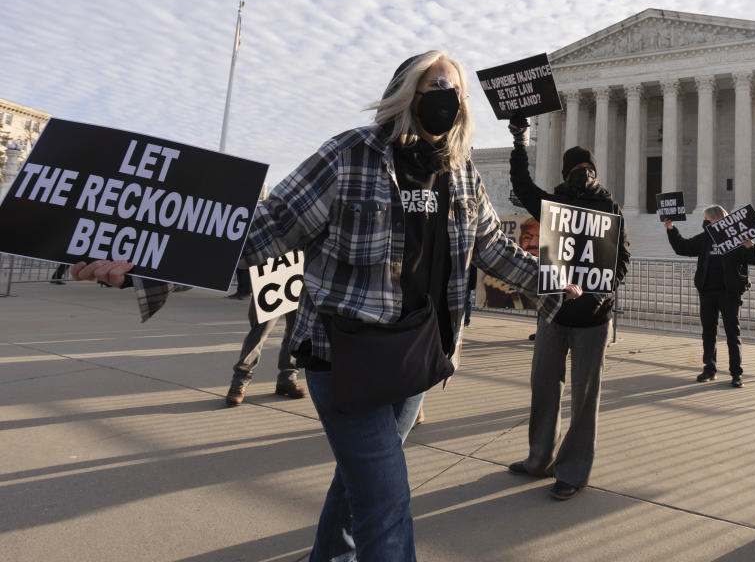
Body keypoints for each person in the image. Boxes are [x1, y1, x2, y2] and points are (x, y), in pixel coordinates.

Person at [71, 51, 581, 561]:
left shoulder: (461, 172)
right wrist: (147, 266)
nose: (453, 100)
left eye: (459, 92)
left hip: (418, 355)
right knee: (386, 500)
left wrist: (553, 282)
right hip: (344, 356)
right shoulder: (349, 156)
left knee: (357, 486)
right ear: (408, 94)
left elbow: (492, 246)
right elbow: (265, 231)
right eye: (440, 87)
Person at [506, 116, 630, 501]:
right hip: (553, 313)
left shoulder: (610, 207)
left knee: (584, 398)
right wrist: (520, 141)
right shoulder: (553, 204)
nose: (583, 174)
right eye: (576, 169)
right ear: (565, 173)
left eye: (588, 169)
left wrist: (595, 292)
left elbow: (621, 261)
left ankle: (573, 471)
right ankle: (538, 458)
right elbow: (521, 185)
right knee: (543, 388)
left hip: (593, 317)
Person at [663, 206, 755, 387]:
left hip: (730, 293)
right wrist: (671, 229)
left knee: (733, 334)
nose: (705, 222)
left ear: (716, 219)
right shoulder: (706, 239)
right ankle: (709, 369)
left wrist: (751, 246)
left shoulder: (737, 238)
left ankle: (736, 373)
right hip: (708, 291)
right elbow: (683, 247)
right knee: (708, 332)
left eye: (707, 220)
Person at [225, 299, 304, 406]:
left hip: (300, 286)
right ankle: (239, 381)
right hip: (270, 285)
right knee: (258, 332)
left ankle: (287, 378)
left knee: (295, 332)